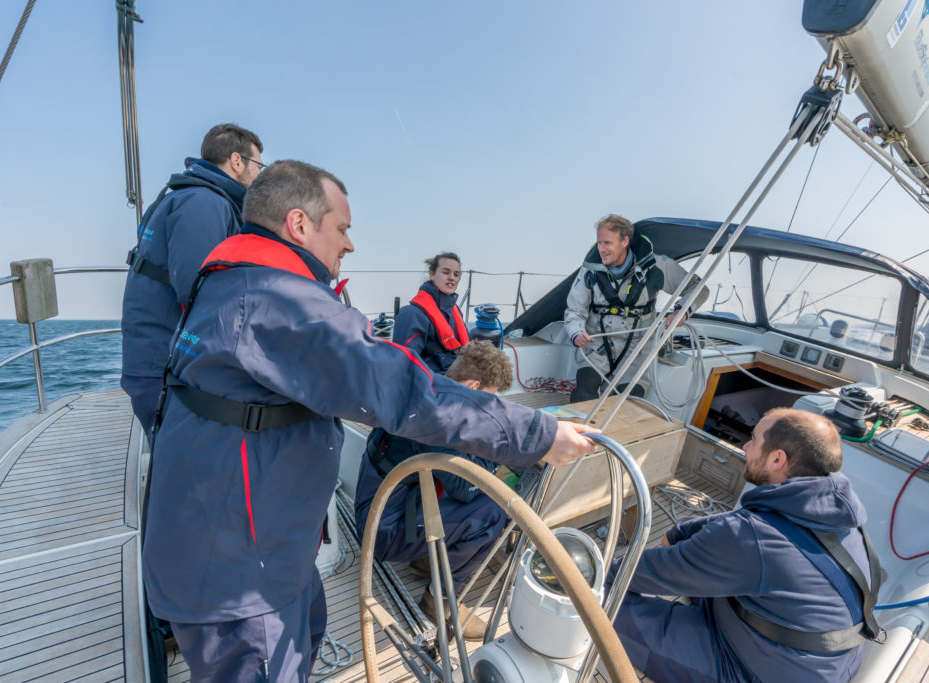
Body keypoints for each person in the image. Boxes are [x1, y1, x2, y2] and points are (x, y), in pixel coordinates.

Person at [141, 160, 597, 682]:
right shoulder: (277, 300)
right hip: (240, 573)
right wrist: (535, 435)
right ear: (298, 224)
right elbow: (396, 385)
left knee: (306, 634)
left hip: (249, 543)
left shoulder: (228, 282)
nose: (350, 245)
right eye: (342, 228)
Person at [610, 408, 882, 682]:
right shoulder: (835, 512)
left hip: (757, 670)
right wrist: (681, 531)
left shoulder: (750, 538)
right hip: (815, 660)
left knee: (606, 600)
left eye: (753, 439)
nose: (745, 446)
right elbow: (736, 525)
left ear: (777, 459)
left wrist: (595, 575)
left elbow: (641, 574)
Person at [354, 340, 516, 640]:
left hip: (380, 503)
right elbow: (465, 489)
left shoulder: (432, 388)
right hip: (383, 529)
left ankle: (424, 561)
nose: (487, 408)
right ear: (473, 384)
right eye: (488, 399)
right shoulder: (438, 421)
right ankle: (438, 599)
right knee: (492, 512)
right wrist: (500, 461)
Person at [120, 123, 264, 434]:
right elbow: (200, 291)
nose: (259, 176)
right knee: (184, 470)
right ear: (237, 161)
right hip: (167, 366)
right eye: (258, 166)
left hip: (155, 359)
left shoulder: (183, 195)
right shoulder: (204, 202)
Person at [564, 214, 708, 403]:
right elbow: (574, 309)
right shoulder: (590, 270)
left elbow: (699, 288)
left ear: (625, 241)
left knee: (627, 402)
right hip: (598, 343)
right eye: (599, 243)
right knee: (584, 390)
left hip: (637, 348)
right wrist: (576, 332)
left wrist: (680, 311)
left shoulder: (657, 266)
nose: (601, 249)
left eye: (607, 243)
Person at [394, 252, 467, 373]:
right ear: (432, 274)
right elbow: (404, 368)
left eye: (456, 274)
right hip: (432, 386)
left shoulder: (456, 312)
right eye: (446, 272)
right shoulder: (412, 314)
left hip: (457, 379)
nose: (452, 277)